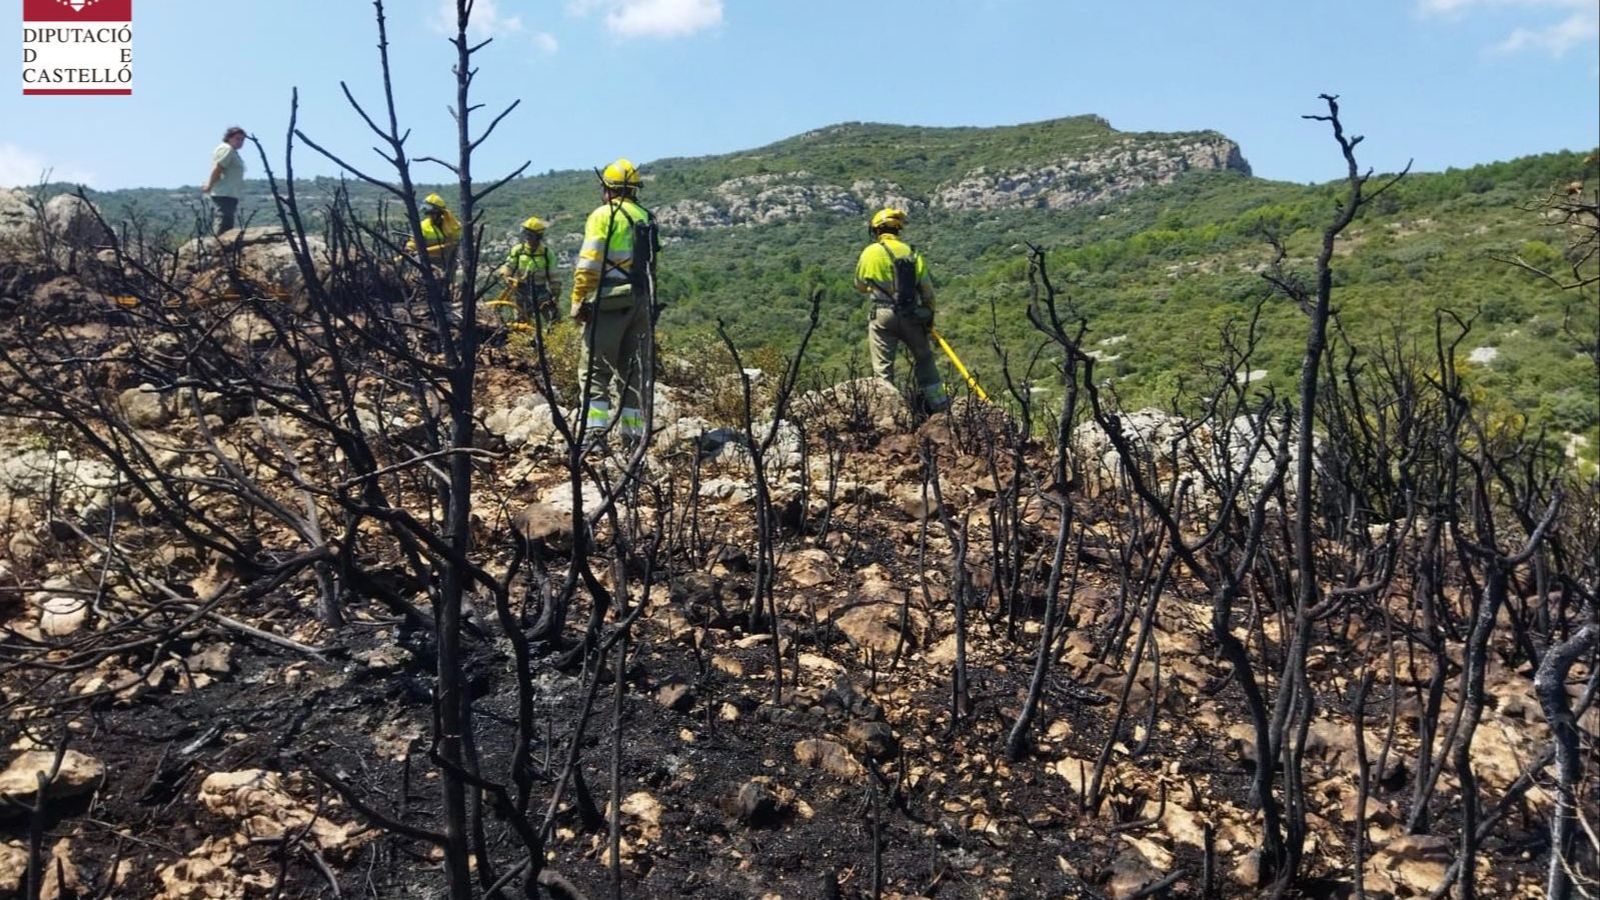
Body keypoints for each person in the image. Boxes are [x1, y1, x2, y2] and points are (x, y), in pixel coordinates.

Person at [570, 158, 657, 447]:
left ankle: (594, 436)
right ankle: (633, 436)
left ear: (607, 188)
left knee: (596, 368)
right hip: (642, 301)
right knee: (633, 371)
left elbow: (589, 264)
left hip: (608, 301)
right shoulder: (646, 216)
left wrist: (578, 300)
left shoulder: (603, 215)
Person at [854, 207, 949, 414]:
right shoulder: (911, 252)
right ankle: (940, 407)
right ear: (898, 229)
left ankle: (888, 412)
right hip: (912, 315)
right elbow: (928, 292)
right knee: (924, 359)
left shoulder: (869, 252)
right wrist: (928, 317)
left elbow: (860, 286)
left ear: (876, 230)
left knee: (883, 369)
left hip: (882, 315)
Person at [496, 216, 561, 326]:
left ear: (538, 236)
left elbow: (554, 276)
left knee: (554, 319)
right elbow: (509, 266)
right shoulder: (518, 250)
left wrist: (556, 294)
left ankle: (556, 340)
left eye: (530, 235)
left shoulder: (546, 253)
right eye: (525, 234)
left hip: (541, 293)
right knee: (522, 323)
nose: (527, 238)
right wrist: (506, 276)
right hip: (522, 292)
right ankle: (523, 342)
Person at [201, 126, 247, 234]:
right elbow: (218, 168)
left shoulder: (233, 151)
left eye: (242, 140)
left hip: (230, 193)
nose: (240, 142)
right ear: (229, 138)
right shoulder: (227, 149)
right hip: (224, 193)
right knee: (223, 222)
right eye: (237, 138)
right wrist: (209, 185)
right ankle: (218, 246)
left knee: (227, 222)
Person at [408, 193, 462, 274]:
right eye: (428, 213)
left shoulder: (453, 226)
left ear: (439, 212)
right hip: (428, 264)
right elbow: (413, 242)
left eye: (432, 213)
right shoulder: (423, 226)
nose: (429, 215)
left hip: (447, 265)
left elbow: (451, 245)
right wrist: (410, 249)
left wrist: (425, 251)